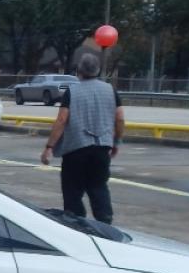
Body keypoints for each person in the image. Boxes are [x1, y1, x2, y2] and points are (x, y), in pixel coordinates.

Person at [40, 52, 125, 223]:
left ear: (79, 70)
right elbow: (120, 118)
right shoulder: (111, 90)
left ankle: (76, 223)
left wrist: (49, 147)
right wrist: (116, 141)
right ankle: (105, 223)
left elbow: (62, 120)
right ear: (98, 70)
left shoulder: (72, 91)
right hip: (102, 148)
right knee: (99, 186)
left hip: (76, 150)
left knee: (72, 190)